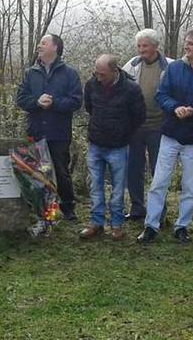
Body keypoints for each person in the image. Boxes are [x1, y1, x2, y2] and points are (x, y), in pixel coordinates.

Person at [137, 30, 193, 245]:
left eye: (191, 44)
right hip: (170, 134)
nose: (186, 47)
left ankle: (182, 226)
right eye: (185, 43)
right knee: (158, 182)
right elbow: (161, 94)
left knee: (189, 185)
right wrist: (175, 108)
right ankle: (151, 225)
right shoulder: (174, 68)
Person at [16, 34, 83, 221]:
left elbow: (76, 101)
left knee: (61, 172)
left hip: (59, 132)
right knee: (38, 172)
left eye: (43, 43)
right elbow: (20, 99)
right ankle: (44, 210)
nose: (39, 45)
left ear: (55, 47)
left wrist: (54, 103)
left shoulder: (70, 74)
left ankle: (68, 208)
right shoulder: (31, 73)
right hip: (36, 131)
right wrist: (36, 102)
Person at [80, 54, 146, 241]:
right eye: (96, 73)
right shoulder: (91, 85)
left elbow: (139, 117)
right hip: (95, 143)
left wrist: (123, 133)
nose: (99, 78)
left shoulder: (131, 89)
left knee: (118, 190)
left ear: (114, 71)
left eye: (102, 74)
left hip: (119, 146)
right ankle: (96, 222)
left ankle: (117, 225)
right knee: (95, 187)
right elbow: (89, 108)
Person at [121, 29, 174, 222]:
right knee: (133, 168)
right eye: (139, 46)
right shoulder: (131, 65)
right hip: (135, 126)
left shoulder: (170, 66)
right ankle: (136, 208)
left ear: (155, 46)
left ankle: (159, 210)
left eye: (145, 45)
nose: (141, 50)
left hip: (160, 125)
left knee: (158, 170)